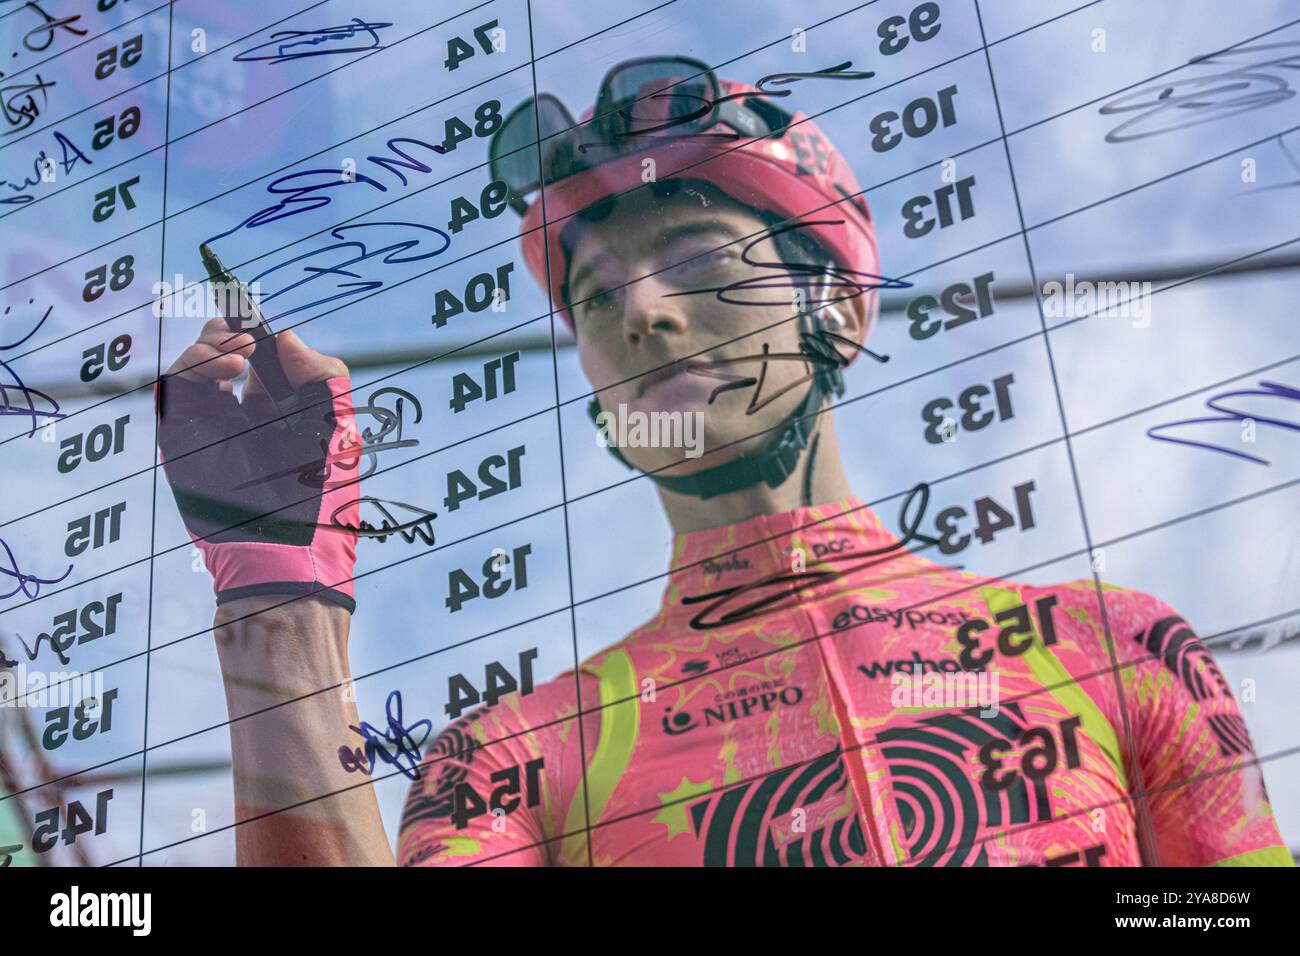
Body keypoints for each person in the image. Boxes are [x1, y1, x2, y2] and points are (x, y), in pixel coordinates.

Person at [157, 59, 1292, 867]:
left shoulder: (1119, 648)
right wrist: (282, 609)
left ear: (840, 310)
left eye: (698, 261)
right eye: (594, 296)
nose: (640, 313)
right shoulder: (509, 755)